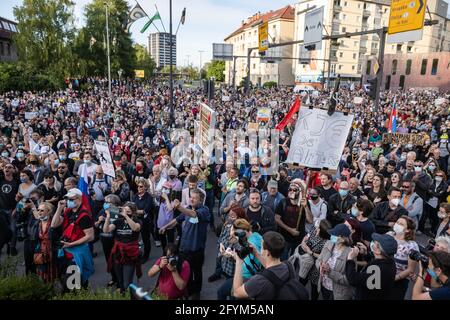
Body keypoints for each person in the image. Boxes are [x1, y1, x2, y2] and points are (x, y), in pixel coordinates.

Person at [159, 189, 210, 299]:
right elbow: (177, 220)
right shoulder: (187, 208)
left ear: (201, 199)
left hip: (196, 250)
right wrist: (165, 227)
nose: (191, 199)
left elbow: (193, 214)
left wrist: (179, 207)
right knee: (184, 270)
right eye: (191, 197)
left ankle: (196, 292)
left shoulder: (204, 210)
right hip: (184, 248)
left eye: (194, 198)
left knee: (196, 272)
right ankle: (186, 291)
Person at [231, 231, 309, 300]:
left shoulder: (259, 281)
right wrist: (256, 253)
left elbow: (236, 292)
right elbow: (270, 270)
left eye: (261, 246)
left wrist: (239, 262)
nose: (260, 248)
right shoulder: (288, 265)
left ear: (267, 252)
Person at [51, 188, 94, 290]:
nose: (68, 201)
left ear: (78, 199)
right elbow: (54, 224)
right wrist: (59, 209)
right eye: (67, 199)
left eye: (70, 199)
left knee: (72, 284)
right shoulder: (68, 211)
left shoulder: (84, 215)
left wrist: (71, 244)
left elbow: (90, 236)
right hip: (66, 252)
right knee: (70, 281)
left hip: (77, 252)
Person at [218, 218, 263, 300]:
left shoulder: (252, 242)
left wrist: (235, 257)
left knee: (221, 292)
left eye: (237, 233)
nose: (235, 236)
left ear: (244, 231)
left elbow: (247, 264)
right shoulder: (255, 235)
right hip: (253, 275)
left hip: (245, 277)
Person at [103, 202, 142, 294]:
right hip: (118, 253)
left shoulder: (137, 221)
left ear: (133, 212)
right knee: (120, 281)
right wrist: (108, 218)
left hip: (130, 254)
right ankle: (122, 293)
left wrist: (127, 217)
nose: (125, 213)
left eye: (128, 211)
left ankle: (128, 293)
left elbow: (135, 228)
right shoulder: (118, 221)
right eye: (124, 210)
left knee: (127, 283)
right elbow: (106, 230)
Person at [345, 233, 398, 300]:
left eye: (375, 243)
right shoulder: (389, 262)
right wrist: (366, 254)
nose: (372, 243)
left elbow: (353, 279)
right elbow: (375, 262)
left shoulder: (379, 270)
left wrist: (350, 259)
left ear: (378, 251)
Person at [316, 223, 354, 300]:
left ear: (342, 239)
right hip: (324, 286)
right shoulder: (329, 243)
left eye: (334, 234)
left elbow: (349, 279)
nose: (331, 236)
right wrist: (320, 266)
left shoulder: (351, 253)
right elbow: (319, 260)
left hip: (338, 293)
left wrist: (329, 272)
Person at [298, 219, 332, 300]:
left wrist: (311, 252)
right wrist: (303, 242)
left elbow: (324, 257)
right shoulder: (314, 229)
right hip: (306, 264)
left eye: (318, 228)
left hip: (316, 268)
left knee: (314, 290)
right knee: (300, 283)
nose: (316, 228)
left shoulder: (327, 242)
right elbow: (306, 237)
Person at [388, 216, 419, 300]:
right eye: (397, 222)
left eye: (401, 224)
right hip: (382, 274)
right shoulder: (389, 235)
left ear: (408, 230)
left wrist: (394, 278)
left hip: (398, 280)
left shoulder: (412, 246)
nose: (397, 225)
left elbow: (410, 270)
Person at [275, 181, 307, 260]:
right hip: (285, 238)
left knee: (294, 259)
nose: (292, 191)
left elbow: (310, 220)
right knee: (283, 258)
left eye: (294, 190)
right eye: (290, 189)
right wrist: (290, 230)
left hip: (299, 238)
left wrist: (306, 207)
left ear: (299, 192)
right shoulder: (283, 202)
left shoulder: (303, 203)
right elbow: (277, 219)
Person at [95, 194, 121, 287]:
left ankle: (120, 282)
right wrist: (99, 221)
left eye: (107, 202)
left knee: (117, 262)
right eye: (104, 202)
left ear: (114, 204)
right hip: (105, 240)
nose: (105, 204)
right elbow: (95, 225)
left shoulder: (119, 212)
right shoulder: (102, 211)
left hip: (115, 241)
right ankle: (114, 278)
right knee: (109, 261)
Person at [29, 201, 58, 283]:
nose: (39, 212)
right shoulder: (37, 223)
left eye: (42, 210)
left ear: (48, 211)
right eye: (38, 210)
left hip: (52, 251)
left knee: (53, 273)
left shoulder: (54, 222)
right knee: (42, 273)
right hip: (40, 251)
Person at [132, 178, 154, 263]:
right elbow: (132, 206)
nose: (139, 188)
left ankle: (146, 255)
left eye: (141, 186)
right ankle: (137, 254)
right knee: (135, 238)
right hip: (136, 220)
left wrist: (135, 211)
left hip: (145, 221)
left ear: (145, 187)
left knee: (145, 239)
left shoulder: (149, 197)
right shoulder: (135, 196)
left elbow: (145, 210)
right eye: (138, 186)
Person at [420, 170, 448, 236]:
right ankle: (421, 229)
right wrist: (433, 193)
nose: (438, 177)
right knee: (424, 216)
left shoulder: (445, 185)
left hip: (437, 205)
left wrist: (431, 192)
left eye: (440, 176)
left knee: (434, 218)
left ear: (443, 177)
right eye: (437, 175)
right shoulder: (431, 182)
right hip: (427, 201)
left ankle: (433, 231)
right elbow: (427, 190)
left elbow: (439, 195)